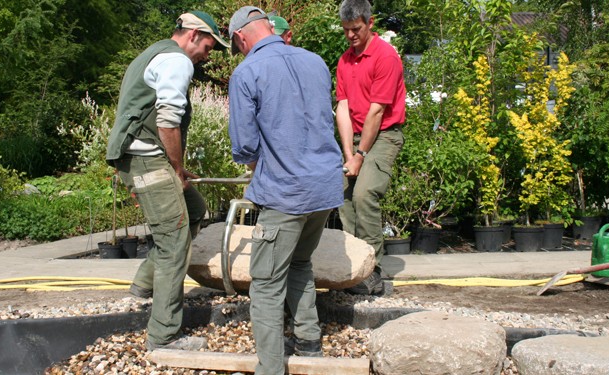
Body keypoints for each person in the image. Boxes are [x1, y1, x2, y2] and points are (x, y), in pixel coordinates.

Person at [228, 6, 343, 374]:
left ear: (242, 37)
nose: (240, 51)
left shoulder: (247, 71)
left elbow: (244, 145)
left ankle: (271, 368)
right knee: (299, 263)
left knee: (265, 284)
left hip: (285, 193)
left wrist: (256, 165)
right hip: (324, 189)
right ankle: (309, 344)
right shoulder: (315, 62)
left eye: (237, 46)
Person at [105, 10, 228, 351]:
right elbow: (168, 121)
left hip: (141, 155)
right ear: (191, 35)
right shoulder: (177, 62)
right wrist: (176, 168)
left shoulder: (154, 52)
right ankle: (164, 336)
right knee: (174, 239)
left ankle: (145, 284)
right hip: (148, 159)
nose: (208, 54)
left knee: (194, 208)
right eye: (207, 46)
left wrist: (176, 167)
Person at [335, 0, 406, 295]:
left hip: (384, 135)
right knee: (343, 197)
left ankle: (373, 269)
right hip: (355, 138)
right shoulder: (344, 60)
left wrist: (361, 156)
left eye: (357, 29)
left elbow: (377, 112)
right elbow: (342, 108)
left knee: (364, 195)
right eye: (346, 30)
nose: (351, 35)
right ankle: (354, 266)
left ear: (370, 22)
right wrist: (350, 155)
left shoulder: (385, 57)